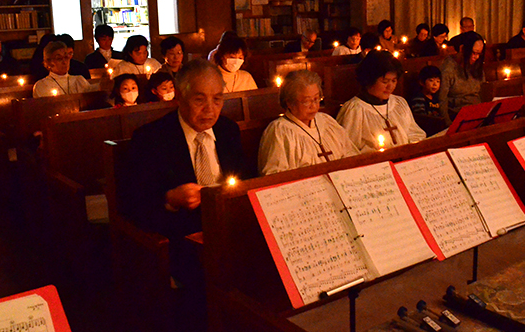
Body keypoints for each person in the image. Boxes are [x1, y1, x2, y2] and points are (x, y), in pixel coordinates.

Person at [128, 59, 249, 280]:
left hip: (231, 230)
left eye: (217, 99)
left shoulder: (228, 130)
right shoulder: (151, 138)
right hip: (183, 239)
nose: (210, 110)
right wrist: (170, 199)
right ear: (180, 97)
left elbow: (246, 181)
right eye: (199, 99)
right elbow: (136, 206)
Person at [258, 70, 358, 175]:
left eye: (316, 99)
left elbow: (350, 153)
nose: (313, 106)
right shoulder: (279, 131)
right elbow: (274, 175)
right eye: (306, 101)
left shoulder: (326, 121)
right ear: (289, 103)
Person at [336, 51, 426, 152]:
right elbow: (348, 149)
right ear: (369, 80)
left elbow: (415, 133)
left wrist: (410, 149)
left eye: (394, 81)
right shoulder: (355, 110)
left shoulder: (399, 103)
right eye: (385, 81)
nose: (390, 86)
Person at [438, 31, 485, 124]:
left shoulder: (476, 66)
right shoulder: (449, 68)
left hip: (477, 113)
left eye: (479, 54)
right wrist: (448, 125)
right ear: (462, 49)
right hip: (457, 115)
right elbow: (441, 100)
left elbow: (483, 91)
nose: (476, 57)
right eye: (474, 53)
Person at [32, 41, 96, 97]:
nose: (64, 62)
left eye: (66, 57)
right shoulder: (42, 86)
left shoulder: (79, 81)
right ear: (49, 63)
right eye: (59, 58)